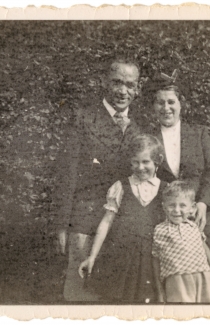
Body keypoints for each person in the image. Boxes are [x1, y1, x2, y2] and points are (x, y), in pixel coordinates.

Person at [50, 58, 141, 301]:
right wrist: (62, 224)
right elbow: (66, 174)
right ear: (104, 82)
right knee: (80, 291)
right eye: (117, 83)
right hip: (84, 219)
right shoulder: (83, 119)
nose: (123, 91)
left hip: (124, 222)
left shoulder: (140, 127)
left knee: (117, 293)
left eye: (130, 85)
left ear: (137, 89)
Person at [145, 70, 210, 303]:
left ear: (180, 104)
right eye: (160, 102)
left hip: (199, 212)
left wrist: (204, 203)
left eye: (171, 102)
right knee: (172, 269)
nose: (166, 108)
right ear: (153, 107)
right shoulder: (148, 137)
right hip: (166, 214)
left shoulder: (198, 133)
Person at [78, 134, 167, 303]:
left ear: (158, 161)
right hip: (121, 258)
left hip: (153, 260)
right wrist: (92, 256)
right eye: (135, 162)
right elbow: (106, 222)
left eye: (146, 162)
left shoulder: (167, 190)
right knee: (118, 301)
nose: (140, 167)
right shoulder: (121, 186)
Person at [152, 181, 210, 303]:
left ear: (192, 208)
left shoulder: (194, 227)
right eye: (171, 205)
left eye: (182, 205)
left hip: (202, 274)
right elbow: (156, 258)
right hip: (176, 277)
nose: (176, 210)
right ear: (164, 207)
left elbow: (204, 247)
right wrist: (159, 287)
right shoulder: (159, 230)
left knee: (205, 309)